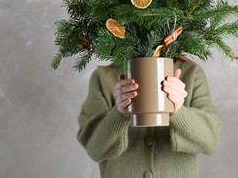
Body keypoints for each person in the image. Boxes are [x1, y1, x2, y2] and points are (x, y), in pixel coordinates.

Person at [77, 57, 223, 178]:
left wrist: (179, 110)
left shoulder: (191, 73)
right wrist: (119, 112)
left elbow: (210, 140)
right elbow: (94, 148)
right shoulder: (103, 77)